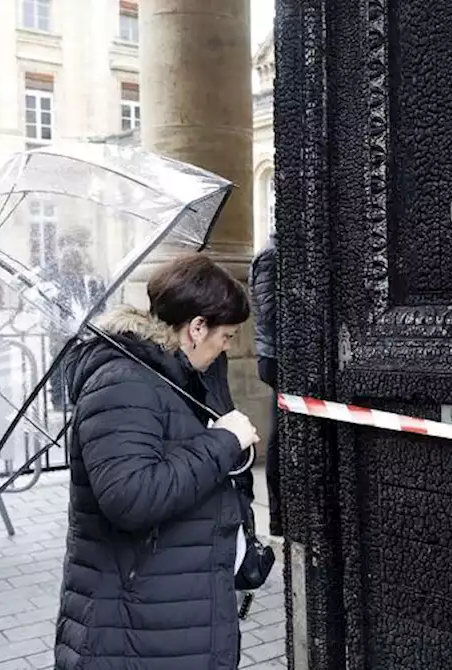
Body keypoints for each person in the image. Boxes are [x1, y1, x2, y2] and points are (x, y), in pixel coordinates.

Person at [55, 253, 261, 670]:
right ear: (196, 327)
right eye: (226, 337)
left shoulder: (178, 376)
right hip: (134, 627)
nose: (226, 348)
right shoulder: (123, 383)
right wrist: (223, 443)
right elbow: (131, 496)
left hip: (172, 611)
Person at [248, 237, 283, 537]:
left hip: (277, 353)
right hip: (274, 356)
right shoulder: (271, 255)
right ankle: (278, 514)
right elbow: (270, 312)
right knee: (279, 435)